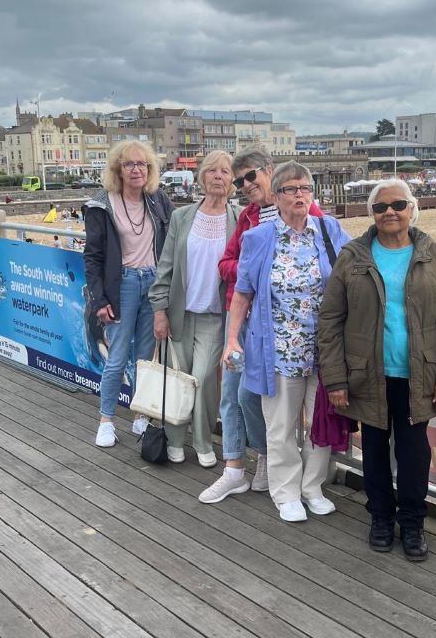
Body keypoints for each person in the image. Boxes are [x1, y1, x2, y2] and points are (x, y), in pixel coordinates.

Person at [318, 179, 436, 561]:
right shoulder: (353, 257)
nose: (390, 212)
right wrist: (335, 379)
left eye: (398, 205)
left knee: (415, 452)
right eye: (381, 206)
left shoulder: (434, 254)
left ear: (412, 209)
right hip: (368, 373)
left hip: (419, 373)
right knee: (374, 451)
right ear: (372, 213)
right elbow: (331, 320)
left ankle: (414, 522)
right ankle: (381, 518)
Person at [224, 161, 350, 522]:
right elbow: (243, 294)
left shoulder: (329, 229)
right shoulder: (258, 238)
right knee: (280, 426)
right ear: (276, 196)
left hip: (325, 350)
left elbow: (354, 270)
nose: (299, 195)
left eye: (305, 188)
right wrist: (232, 338)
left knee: (321, 423)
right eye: (291, 189)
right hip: (278, 349)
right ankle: (286, 492)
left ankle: (312, 487)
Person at [202, 148, 326, 504]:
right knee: (235, 395)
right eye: (239, 181)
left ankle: (272, 464)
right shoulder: (251, 220)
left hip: (291, 330)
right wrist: (251, 269)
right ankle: (240, 468)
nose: (244, 185)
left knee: (267, 401)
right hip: (247, 321)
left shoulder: (312, 217)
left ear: (269, 171)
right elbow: (227, 265)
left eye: (250, 176)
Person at [150, 151, 238, 467]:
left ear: (232, 181)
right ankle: (174, 439)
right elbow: (166, 266)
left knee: (203, 377)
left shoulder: (238, 218)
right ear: (201, 178)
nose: (218, 176)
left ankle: (202, 441)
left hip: (216, 315)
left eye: (225, 171)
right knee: (178, 376)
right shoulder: (181, 216)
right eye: (212, 170)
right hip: (180, 313)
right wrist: (159, 310)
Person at [84, 140, 173, 448]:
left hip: (153, 281)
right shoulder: (101, 204)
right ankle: (106, 420)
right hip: (121, 285)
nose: (136, 170)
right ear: (117, 170)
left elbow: (176, 235)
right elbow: (92, 257)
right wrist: (99, 299)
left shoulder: (157, 199)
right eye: (129, 164)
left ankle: (140, 414)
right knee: (117, 356)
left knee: (145, 357)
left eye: (142, 164)